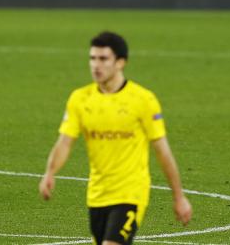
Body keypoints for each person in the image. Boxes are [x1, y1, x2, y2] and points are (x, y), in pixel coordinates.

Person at [39, 31, 192, 245]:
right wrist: (50, 173)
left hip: (131, 193)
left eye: (103, 59)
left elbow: (162, 151)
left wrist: (178, 197)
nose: (96, 65)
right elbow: (65, 142)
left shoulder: (143, 100)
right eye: (92, 58)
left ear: (120, 62)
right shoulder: (80, 99)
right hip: (97, 194)